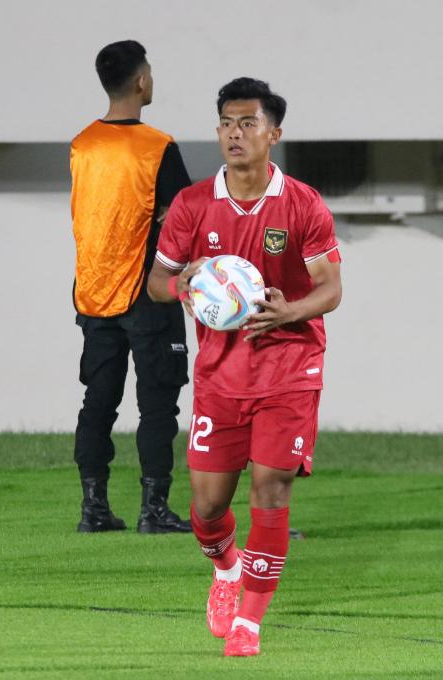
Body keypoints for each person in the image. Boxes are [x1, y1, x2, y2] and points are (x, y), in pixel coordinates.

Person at [147, 77, 343, 656]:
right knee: (207, 508)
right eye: (227, 124)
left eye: (248, 124)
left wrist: (290, 313)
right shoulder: (192, 205)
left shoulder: (303, 203)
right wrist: (182, 281)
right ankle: (227, 570)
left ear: (273, 134)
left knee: (271, 489)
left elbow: (330, 290)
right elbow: (158, 283)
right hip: (221, 375)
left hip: (290, 365)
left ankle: (249, 624)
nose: (235, 134)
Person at [70, 40, 193, 534]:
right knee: (158, 399)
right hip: (148, 290)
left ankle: (93, 508)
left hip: (94, 289)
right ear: (141, 81)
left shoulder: (81, 144)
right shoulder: (157, 146)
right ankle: (153, 509)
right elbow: (183, 217)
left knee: (98, 400)